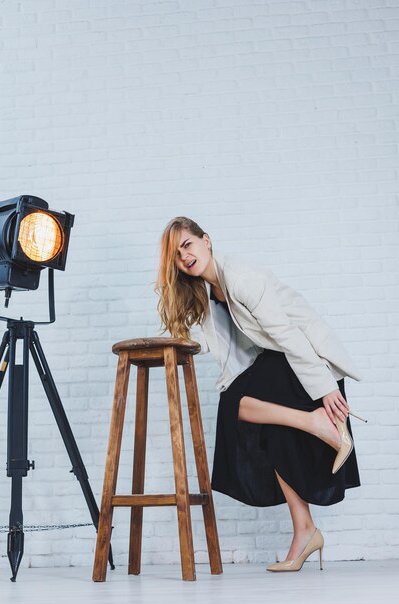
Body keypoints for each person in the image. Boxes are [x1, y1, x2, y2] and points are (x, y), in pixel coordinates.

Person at [155, 216, 365, 572]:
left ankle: (318, 424)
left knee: (233, 405)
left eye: (188, 244)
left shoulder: (240, 278)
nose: (185, 256)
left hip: (306, 362)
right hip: (281, 363)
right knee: (268, 429)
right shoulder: (209, 292)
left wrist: (326, 389)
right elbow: (208, 344)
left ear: (206, 240)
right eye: (176, 255)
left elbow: (288, 336)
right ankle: (305, 531)